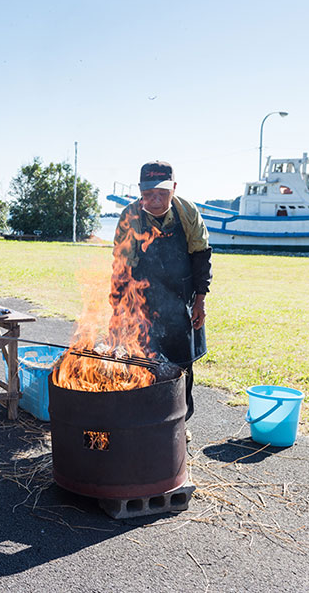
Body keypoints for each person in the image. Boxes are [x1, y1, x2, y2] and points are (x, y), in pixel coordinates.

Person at [111, 161, 212, 436]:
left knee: (182, 366)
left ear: (174, 188)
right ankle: (143, 422)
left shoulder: (187, 212)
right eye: (148, 194)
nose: (155, 200)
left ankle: (179, 422)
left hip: (181, 301)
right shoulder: (130, 217)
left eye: (162, 193)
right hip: (141, 303)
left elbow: (201, 258)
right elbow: (121, 268)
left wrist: (200, 301)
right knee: (141, 361)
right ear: (140, 191)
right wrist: (118, 311)